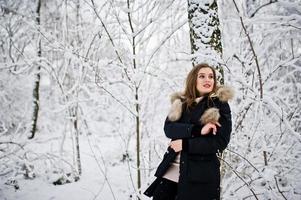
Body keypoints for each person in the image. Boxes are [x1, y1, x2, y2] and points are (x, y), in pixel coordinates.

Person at [144, 63, 234, 200]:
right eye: (202, 76)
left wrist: (185, 144)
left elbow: (219, 142)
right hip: (170, 170)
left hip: (198, 175)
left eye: (211, 77)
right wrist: (198, 130)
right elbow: (169, 129)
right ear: (194, 80)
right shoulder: (182, 102)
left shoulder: (219, 105)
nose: (208, 80)